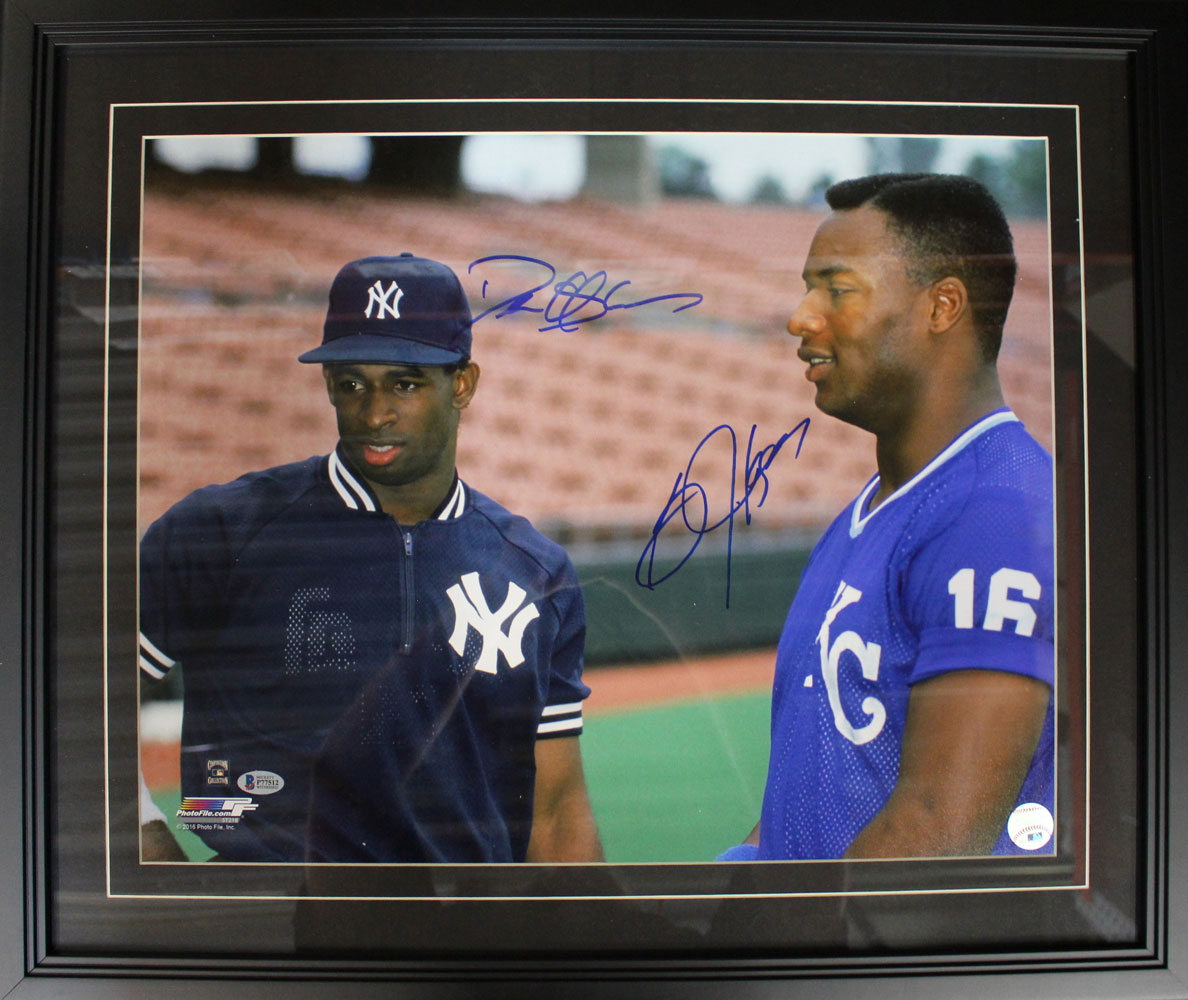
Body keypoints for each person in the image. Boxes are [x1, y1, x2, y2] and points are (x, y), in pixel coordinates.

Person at [139, 253, 603, 864]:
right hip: (274, 934)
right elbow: (74, 718)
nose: (374, 413)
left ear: (461, 384)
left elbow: (556, 810)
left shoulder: (534, 571)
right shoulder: (216, 531)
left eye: (405, 383)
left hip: (465, 934)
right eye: (351, 383)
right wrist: (157, 861)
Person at [724, 173, 1055, 861]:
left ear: (942, 307)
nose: (801, 316)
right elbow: (795, 811)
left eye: (837, 289)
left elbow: (936, 839)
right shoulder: (869, 513)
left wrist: (763, 953)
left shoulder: (998, 511)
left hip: (906, 969)